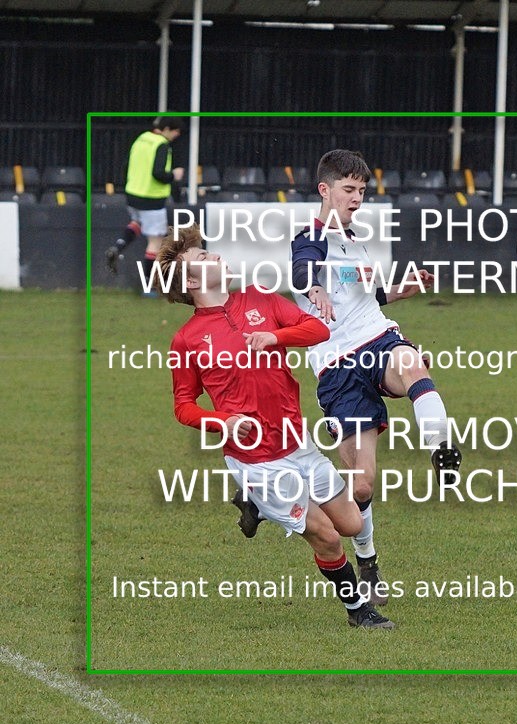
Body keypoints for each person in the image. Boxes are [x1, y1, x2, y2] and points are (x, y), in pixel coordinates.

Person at [154, 223, 395, 630]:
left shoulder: (260, 297)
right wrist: (222, 422)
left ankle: (256, 507)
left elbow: (318, 329)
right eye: (202, 257)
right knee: (328, 537)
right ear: (191, 282)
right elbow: (183, 406)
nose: (214, 256)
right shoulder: (187, 340)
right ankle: (359, 611)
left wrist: (275, 337)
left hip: (297, 443)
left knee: (352, 523)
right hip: (258, 461)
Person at [285, 149, 462, 606]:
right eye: (348, 189)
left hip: (377, 338)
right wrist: (314, 288)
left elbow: (367, 296)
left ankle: (441, 447)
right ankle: (368, 562)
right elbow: (303, 269)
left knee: (412, 364)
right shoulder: (311, 237)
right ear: (324, 190)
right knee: (361, 484)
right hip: (337, 367)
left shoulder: (354, 240)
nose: (357, 198)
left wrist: (403, 289)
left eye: (362, 190)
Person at [105, 116, 185, 291]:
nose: (177, 134)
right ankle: (148, 285)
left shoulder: (141, 139)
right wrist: (174, 175)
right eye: (175, 131)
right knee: (155, 241)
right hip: (152, 198)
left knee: (138, 222)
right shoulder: (161, 145)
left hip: (133, 193)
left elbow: (126, 165)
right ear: (166, 129)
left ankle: (118, 247)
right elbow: (158, 173)